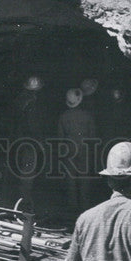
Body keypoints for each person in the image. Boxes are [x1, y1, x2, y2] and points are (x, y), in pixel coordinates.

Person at [57, 88, 96, 218]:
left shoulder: (63, 116)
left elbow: (60, 136)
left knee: (70, 178)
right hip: (84, 147)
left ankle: (72, 206)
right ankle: (85, 206)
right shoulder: (88, 116)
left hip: (69, 147)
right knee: (84, 177)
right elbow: (92, 134)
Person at [14, 76, 48, 214]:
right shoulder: (31, 104)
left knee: (23, 170)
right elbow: (33, 125)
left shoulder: (20, 101)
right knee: (28, 172)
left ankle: (22, 199)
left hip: (19, 140)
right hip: (29, 142)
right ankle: (24, 202)